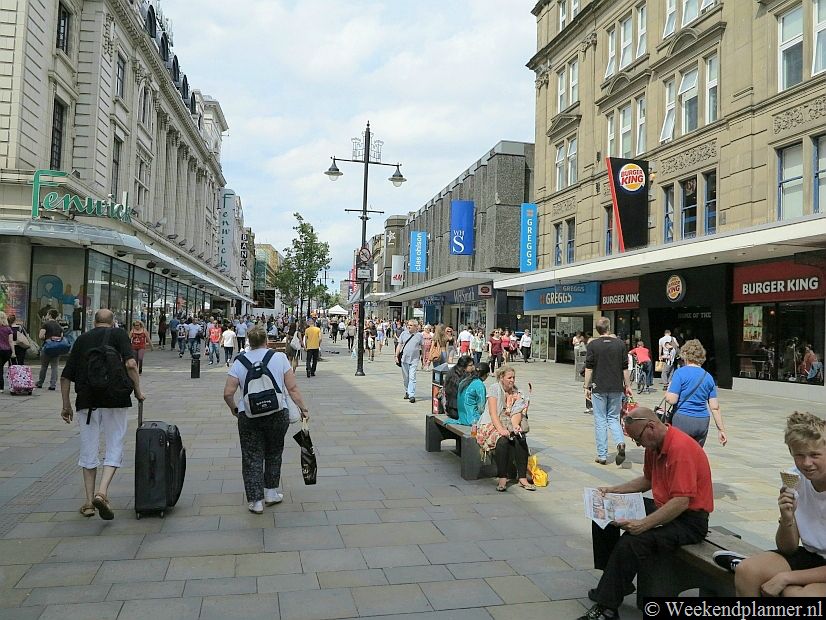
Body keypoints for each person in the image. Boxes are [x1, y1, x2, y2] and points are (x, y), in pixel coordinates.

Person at [579, 407, 713, 620]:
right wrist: (613, 491)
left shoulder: (680, 449)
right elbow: (647, 480)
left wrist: (644, 524)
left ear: (651, 426)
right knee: (604, 516)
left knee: (632, 542)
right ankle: (613, 584)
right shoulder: (654, 446)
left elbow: (681, 502)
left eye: (638, 439)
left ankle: (607, 607)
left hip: (689, 519)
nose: (638, 444)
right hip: (666, 506)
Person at [726, 412, 826, 597]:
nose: (807, 463)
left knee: (796, 594)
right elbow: (788, 548)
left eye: (815, 455)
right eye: (799, 455)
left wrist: (786, 578)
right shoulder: (794, 479)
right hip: (811, 555)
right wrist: (787, 518)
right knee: (747, 571)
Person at [60, 309, 145, 520]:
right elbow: (131, 364)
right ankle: (103, 492)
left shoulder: (82, 339)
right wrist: (138, 391)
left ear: (94, 321)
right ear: (113, 321)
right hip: (115, 399)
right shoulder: (118, 335)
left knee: (89, 448)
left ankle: (89, 502)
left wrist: (66, 405)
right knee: (114, 443)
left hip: (87, 401)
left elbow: (65, 377)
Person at [223, 325, 310, 514]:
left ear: (248, 341)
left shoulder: (239, 362)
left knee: (251, 457)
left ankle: (256, 501)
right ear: (266, 341)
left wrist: (234, 409)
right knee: (274, 452)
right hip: (277, 413)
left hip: (249, 415)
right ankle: (271, 493)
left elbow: (228, 393)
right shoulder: (279, 358)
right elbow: (293, 388)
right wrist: (303, 408)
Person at [584, 317, 631, 466]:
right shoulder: (620, 344)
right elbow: (625, 367)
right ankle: (620, 442)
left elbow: (589, 367)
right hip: (616, 386)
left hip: (599, 386)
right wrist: (628, 386)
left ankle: (602, 455)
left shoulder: (593, 344)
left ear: (597, 330)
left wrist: (586, 386)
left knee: (600, 420)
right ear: (609, 327)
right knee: (613, 417)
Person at [665, 339, 727, 448]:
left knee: (679, 455)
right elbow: (715, 407)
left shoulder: (680, 373)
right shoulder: (708, 377)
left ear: (685, 355)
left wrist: (668, 391)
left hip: (682, 419)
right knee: (695, 456)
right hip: (702, 421)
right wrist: (721, 430)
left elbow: (672, 400)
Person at [486, 364, 534, 492]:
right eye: (509, 378)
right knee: (502, 441)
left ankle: (522, 477)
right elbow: (492, 413)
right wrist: (501, 429)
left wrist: (516, 426)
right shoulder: (494, 388)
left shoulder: (518, 392)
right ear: (501, 377)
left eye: (513, 377)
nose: (512, 380)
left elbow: (517, 412)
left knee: (520, 438)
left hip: (510, 422)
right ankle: (502, 476)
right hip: (492, 422)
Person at [454, 361, 490, 426]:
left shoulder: (464, 381)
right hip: (472, 420)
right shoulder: (479, 385)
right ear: (487, 374)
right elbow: (481, 409)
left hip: (462, 418)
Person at [396, 319, 423, 403]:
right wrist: (396, 356)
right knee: (406, 378)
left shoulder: (419, 335)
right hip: (404, 359)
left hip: (414, 359)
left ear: (416, 327)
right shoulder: (404, 334)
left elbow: (423, 347)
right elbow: (399, 345)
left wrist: (424, 358)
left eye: (411, 325)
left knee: (412, 377)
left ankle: (412, 395)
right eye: (408, 325)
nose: (409, 326)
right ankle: (407, 391)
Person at [37, 309, 65, 390]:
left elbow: (41, 336)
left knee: (44, 366)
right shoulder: (59, 326)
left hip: (47, 347)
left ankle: (40, 382)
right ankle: (53, 385)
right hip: (56, 348)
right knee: (54, 367)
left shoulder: (45, 324)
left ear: (49, 315)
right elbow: (62, 337)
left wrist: (47, 338)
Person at [0, 312, 14, 391]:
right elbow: (11, 341)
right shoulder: (8, 329)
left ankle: (1, 387)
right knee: (1, 367)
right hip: (7, 351)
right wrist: (13, 352)